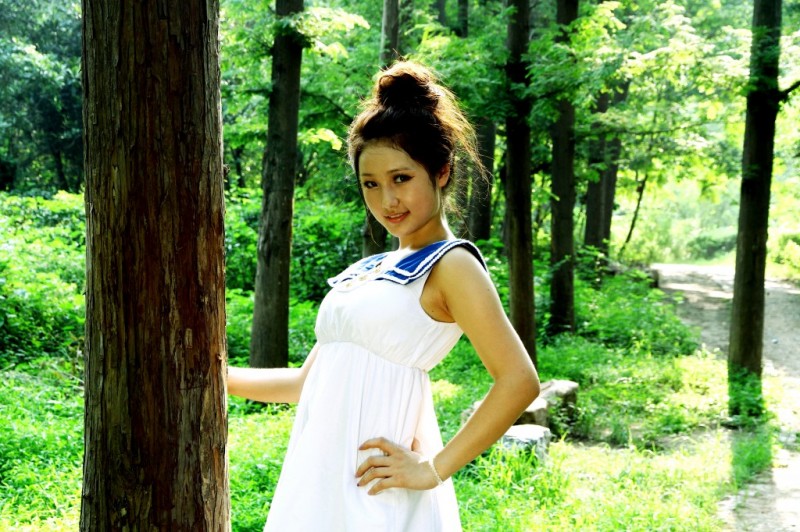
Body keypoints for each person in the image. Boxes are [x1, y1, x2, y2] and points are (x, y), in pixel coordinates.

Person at [228, 60, 540, 531]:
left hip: (377, 491)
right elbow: (304, 383)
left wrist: (432, 469)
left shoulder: (452, 264)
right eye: (370, 184)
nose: (387, 201)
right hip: (319, 480)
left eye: (401, 179)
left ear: (440, 172)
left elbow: (519, 380)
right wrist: (218, 377)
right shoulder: (370, 269)